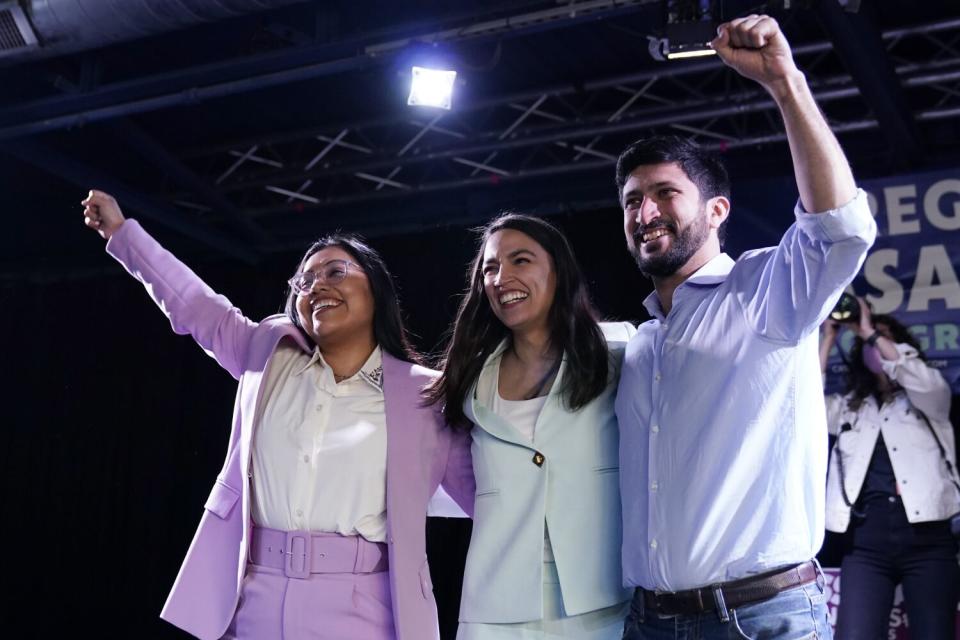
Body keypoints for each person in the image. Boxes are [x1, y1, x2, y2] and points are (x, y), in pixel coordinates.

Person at [80, 190, 474, 640]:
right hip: (255, 599)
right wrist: (121, 232)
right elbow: (194, 305)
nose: (317, 285)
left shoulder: (426, 394)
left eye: (335, 271)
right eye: (304, 282)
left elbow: (489, 493)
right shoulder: (266, 355)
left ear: (377, 287)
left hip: (365, 608)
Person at [614, 14, 877, 640]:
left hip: (759, 621)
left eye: (663, 193)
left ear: (716, 210)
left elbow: (841, 229)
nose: (644, 212)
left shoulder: (762, 293)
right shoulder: (639, 343)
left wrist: (786, 83)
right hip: (649, 621)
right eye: (630, 200)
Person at [425, 214, 634, 639]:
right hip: (495, 608)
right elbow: (444, 476)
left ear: (558, 270)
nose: (502, 278)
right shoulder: (468, 378)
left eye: (521, 261)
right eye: (490, 268)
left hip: (602, 600)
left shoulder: (616, 353)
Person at [820, 298, 959, 640]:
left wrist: (868, 331)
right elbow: (802, 404)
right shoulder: (850, 408)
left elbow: (928, 386)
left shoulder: (930, 400)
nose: (872, 346)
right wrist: (827, 338)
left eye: (881, 340)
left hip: (928, 540)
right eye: (865, 343)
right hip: (866, 543)